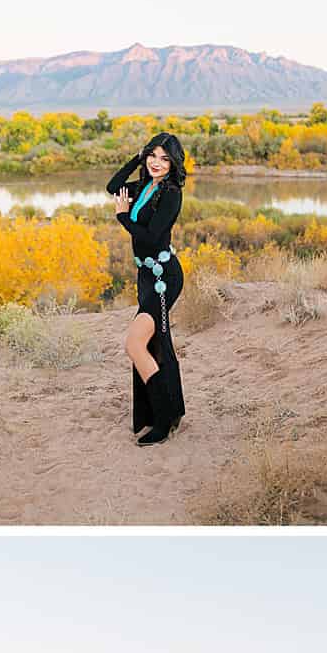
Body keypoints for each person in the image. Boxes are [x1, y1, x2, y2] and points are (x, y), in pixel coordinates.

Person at [105, 134, 189, 445]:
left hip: (164, 277)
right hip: (146, 275)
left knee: (135, 344)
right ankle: (166, 412)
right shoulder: (143, 187)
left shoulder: (170, 194)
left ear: (174, 163)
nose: (156, 162)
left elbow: (153, 237)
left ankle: (163, 419)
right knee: (158, 344)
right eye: (152, 156)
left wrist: (123, 218)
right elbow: (113, 187)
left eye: (164, 158)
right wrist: (136, 157)